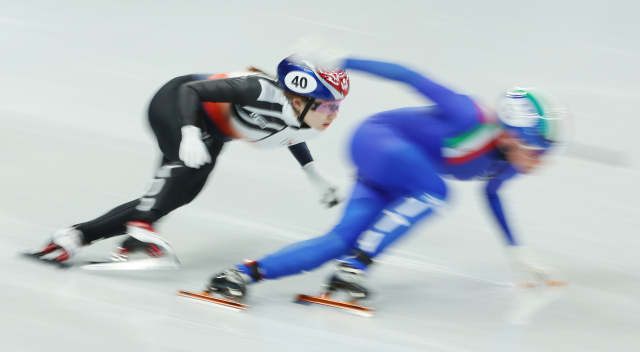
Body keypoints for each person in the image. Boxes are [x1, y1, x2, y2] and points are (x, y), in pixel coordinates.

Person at [204, 58, 571, 301]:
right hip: (377, 139)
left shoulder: (505, 164)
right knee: (437, 192)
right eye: (537, 150)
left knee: (339, 240)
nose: (541, 161)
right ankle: (356, 266)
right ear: (511, 134)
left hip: (398, 175)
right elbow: (410, 77)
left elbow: (492, 195)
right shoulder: (469, 117)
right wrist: (343, 62)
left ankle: (241, 274)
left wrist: (515, 251)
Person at [29, 54, 350, 266]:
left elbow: (292, 136)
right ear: (298, 99)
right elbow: (193, 91)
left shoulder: (304, 117)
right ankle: (140, 228)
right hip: (177, 103)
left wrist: (314, 176)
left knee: (174, 195)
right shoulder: (255, 89)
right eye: (328, 106)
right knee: (184, 175)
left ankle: (78, 236)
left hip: (208, 130)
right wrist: (190, 133)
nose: (333, 114)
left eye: (337, 106)